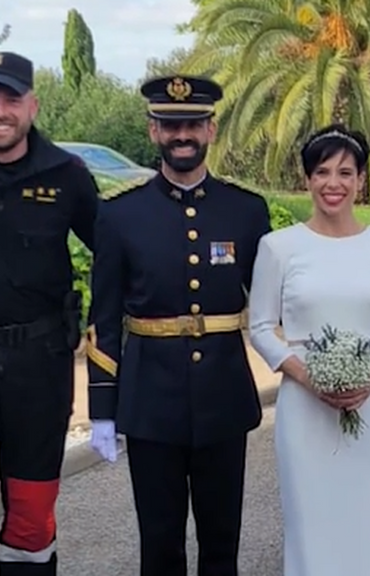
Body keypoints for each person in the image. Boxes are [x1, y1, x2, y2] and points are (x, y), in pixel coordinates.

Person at [84, 75, 272, 576]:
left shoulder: (246, 211)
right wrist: (102, 408)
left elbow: (276, 303)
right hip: (150, 401)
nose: (182, 135)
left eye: (192, 124)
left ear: (211, 129)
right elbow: (103, 318)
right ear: (153, 131)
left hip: (224, 397)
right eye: (170, 126)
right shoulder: (120, 214)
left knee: (221, 544)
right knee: (160, 544)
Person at [247, 124, 370, 576]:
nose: (333, 184)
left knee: (365, 516)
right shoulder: (279, 247)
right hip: (303, 404)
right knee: (311, 519)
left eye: (345, 172)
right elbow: (260, 326)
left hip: (368, 401)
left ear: (361, 179)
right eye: (322, 172)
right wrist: (308, 376)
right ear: (307, 179)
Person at [0, 50, 99, 576]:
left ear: (32, 106)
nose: (0, 111)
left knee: (32, 515)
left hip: (39, 364)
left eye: (11, 100)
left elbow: (114, 252)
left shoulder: (67, 174)